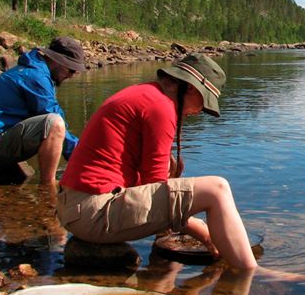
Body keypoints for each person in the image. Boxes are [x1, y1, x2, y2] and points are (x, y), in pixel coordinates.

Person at [56, 53, 259, 269]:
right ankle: (250, 272)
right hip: (93, 213)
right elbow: (152, 186)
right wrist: (198, 229)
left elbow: (152, 185)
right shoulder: (160, 107)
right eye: (202, 102)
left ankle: (163, 277)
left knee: (171, 168)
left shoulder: (146, 95)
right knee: (217, 189)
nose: (199, 111)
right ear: (189, 88)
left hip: (78, 210)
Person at [0, 36, 85, 190]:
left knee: (55, 122)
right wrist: (83, 157)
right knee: (54, 124)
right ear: (57, 60)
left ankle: (7, 171)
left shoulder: (36, 71)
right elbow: (54, 120)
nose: (71, 75)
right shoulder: (35, 77)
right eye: (70, 69)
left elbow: (53, 110)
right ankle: (47, 187)